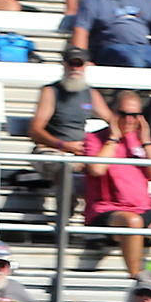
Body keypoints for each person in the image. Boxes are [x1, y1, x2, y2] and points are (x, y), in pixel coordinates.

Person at [86, 91, 151, 280]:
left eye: (135, 115)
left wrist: (147, 142)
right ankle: (137, 276)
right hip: (106, 210)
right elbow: (96, 169)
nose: (130, 119)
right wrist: (113, 138)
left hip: (140, 209)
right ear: (113, 113)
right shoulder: (95, 139)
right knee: (133, 222)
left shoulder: (138, 141)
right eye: (124, 114)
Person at [27, 48, 115, 195]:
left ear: (85, 66)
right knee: (64, 167)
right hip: (50, 150)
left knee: (106, 167)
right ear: (64, 65)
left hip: (81, 151)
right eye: (71, 63)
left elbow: (113, 122)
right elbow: (35, 131)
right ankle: (66, 207)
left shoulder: (91, 93)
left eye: (79, 64)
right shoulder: (51, 91)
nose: (75, 68)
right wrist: (63, 145)